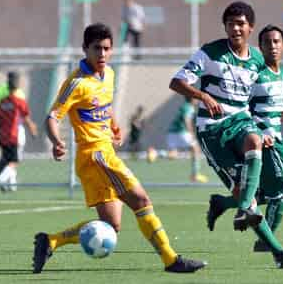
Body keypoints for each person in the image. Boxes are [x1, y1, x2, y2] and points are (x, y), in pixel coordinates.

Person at [32, 22, 206, 274]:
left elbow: (106, 103)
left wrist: (114, 125)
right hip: (96, 155)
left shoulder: (109, 74)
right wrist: (57, 142)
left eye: (106, 49)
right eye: (96, 49)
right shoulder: (76, 82)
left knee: (111, 226)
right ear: (85, 49)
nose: (102, 54)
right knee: (141, 200)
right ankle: (171, 259)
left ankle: (51, 241)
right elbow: (52, 117)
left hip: (102, 154)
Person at [169, 1, 283, 269]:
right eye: (230, 23)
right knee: (241, 192)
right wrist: (203, 95)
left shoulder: (258, 60)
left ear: (250, 28)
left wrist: (267, 126)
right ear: (225, 27)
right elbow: (176, 82)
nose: (235, 28)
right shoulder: (210, 53)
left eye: (240, 23)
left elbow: (263, 99)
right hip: (212, 131)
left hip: (240, 122)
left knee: (255, 141)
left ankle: (242, 209)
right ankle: (278, 252)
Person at [205, 25, 283, 253]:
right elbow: (242, 107)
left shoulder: (282, 73)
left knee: (268, 191)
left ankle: (222, 203)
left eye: (276, 42)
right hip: (262, 140)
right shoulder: (255, 74)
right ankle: (265, 241)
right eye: (267, 42)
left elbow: (275, 109)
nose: (272, 46)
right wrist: (258, 133)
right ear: (260, 46)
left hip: (277, 138)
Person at [0, 73, 38, 192]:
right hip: (14, 136)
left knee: (7, 158)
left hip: (3, 136)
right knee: (14, 161)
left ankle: (12, 185)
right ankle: (1, 178)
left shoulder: (2, 102)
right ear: (17, 87)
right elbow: (26, 118)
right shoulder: (19, 102)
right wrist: (33, 130)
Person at [0, 71, 26, 175]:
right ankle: (5, 177)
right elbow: (23, 113)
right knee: (14, 156)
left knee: (6, 153)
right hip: (13, 127)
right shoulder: (18, 92)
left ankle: (6, 178)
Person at [166, 96, 208, 183]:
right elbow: (186, 120)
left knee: (173, 155)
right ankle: (195, 174)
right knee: (196, 149)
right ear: (192, 98)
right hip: (181, 132)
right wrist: (191, 133)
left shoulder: (184, 106)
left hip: (171, 132)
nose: (197, 100)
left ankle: (156, 153)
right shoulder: (189, 107)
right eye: (196, 98)